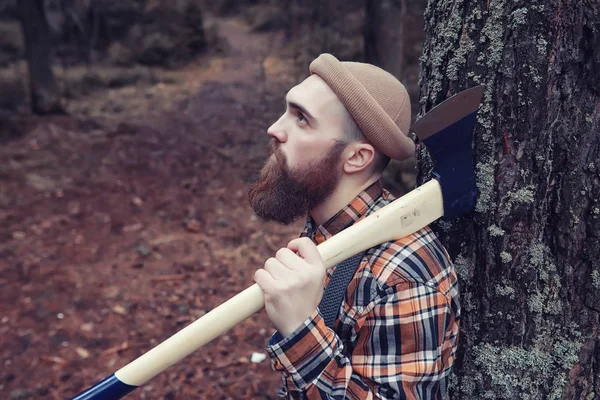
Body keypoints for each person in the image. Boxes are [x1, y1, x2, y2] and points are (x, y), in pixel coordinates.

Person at [248, 53, 460, 399]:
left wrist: (301, 333)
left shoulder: (404, 275)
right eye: (287, 110)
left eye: (302, 119)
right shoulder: (327, 228)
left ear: (357, 157)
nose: (275, 129)